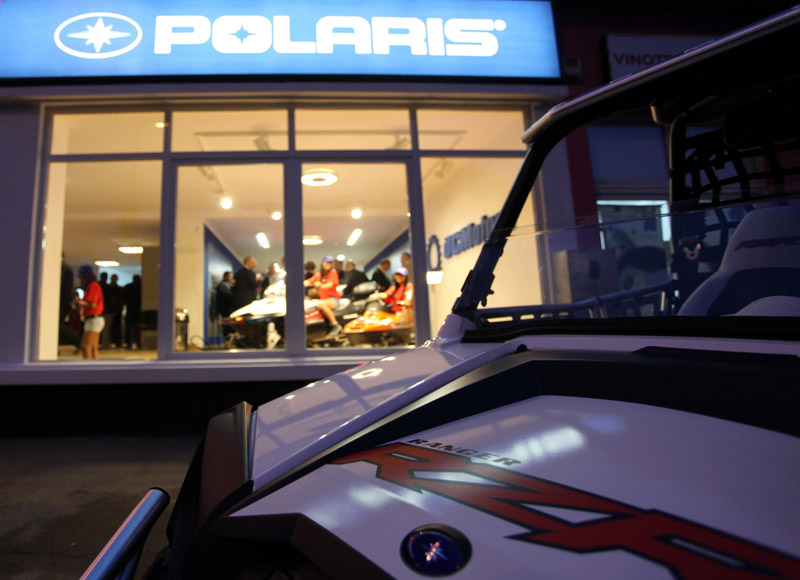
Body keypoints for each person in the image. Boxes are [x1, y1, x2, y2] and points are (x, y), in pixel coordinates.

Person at [304, 254, 342, 337]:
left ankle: (335, 325)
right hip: (324, 299)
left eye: (330, 263)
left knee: (320, 303)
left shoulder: (333, 272)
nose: (328, 264)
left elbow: (330, 284)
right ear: (322, 263)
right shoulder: (319, 274)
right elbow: (308, 281)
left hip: (333, 299)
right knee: (312, 304)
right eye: (326, 262)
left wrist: (320, 285)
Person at [72, 264, 105, 359]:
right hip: (95, 318)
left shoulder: (92, 286)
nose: (81, 279)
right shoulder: (94, 285)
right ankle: (95, 366)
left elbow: (92, 304)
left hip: (93, 319)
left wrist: (79, 301)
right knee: (93, 348)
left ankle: (88, 366)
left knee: (86, 346)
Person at [124, 274, 142, 350]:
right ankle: (138, 343)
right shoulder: (141, 287)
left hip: (130, 309)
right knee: (138, 327)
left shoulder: (128, 287)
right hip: (139, 309)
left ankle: (129, 343)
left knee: (129, 327)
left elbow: (124, 298)